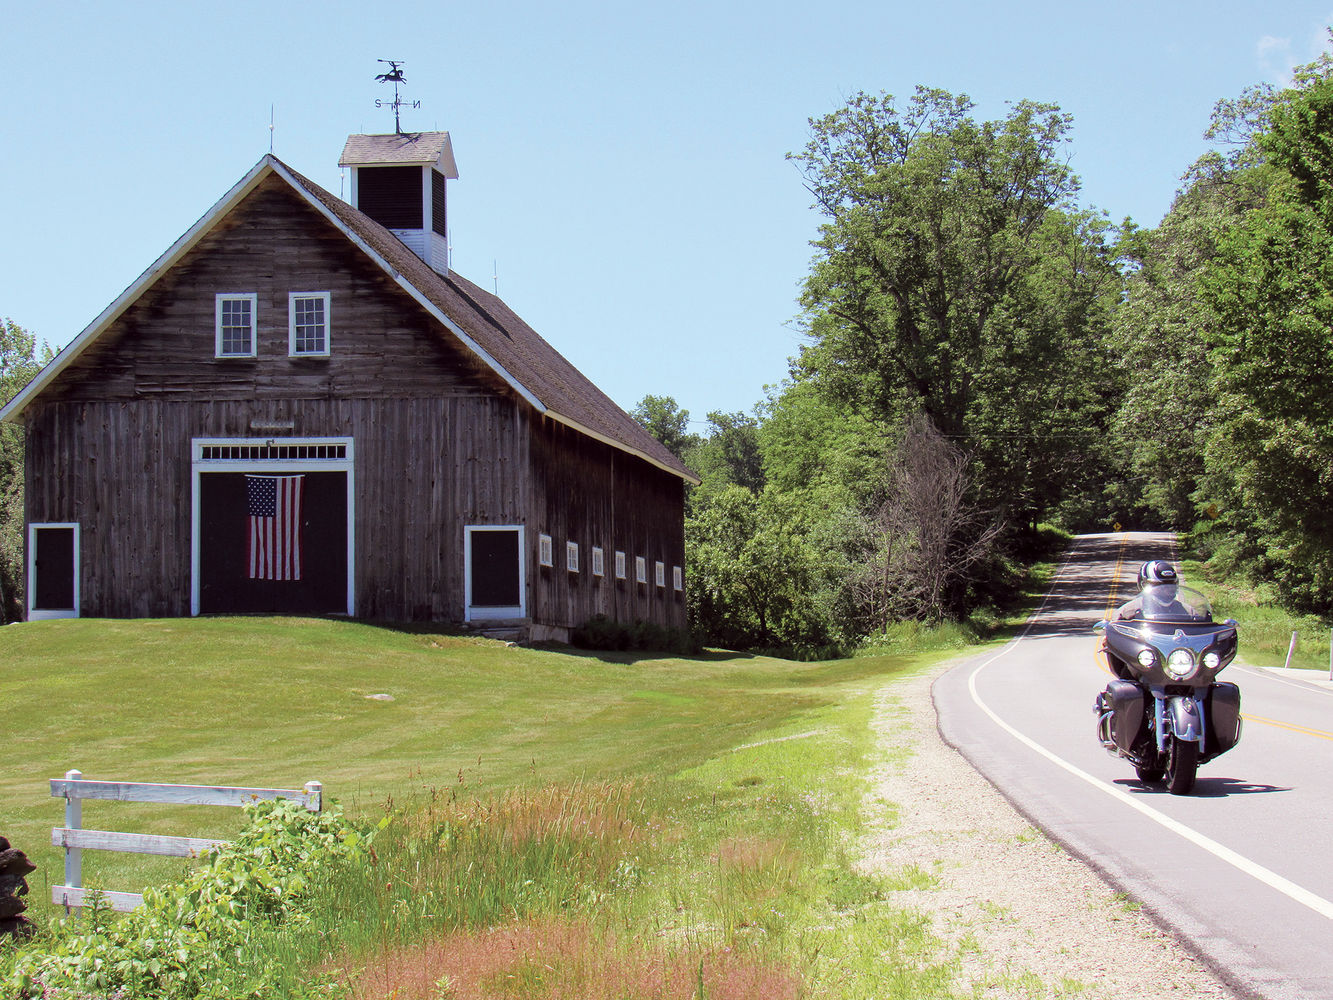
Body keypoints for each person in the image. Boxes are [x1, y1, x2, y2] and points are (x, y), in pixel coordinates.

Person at [1116, 560, 1183, 621]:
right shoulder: (1126, 612)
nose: (1167, 590)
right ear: (1144, 585)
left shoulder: (1188, 613)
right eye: (1159, 585)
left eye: (1171, 585)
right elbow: (1111, 630)